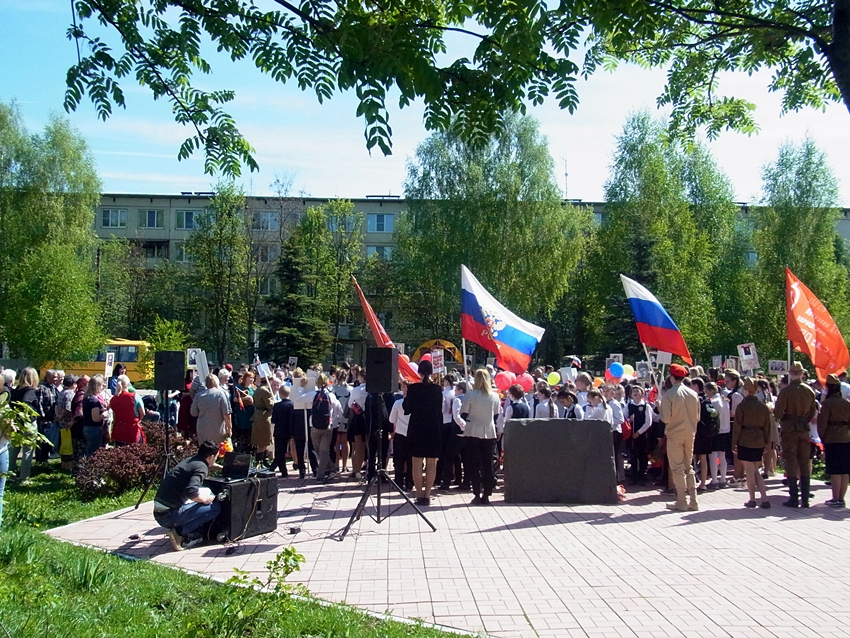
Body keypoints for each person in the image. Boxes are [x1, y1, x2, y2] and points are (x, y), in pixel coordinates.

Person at [153, 440, 222, 551]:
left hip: (159, 512)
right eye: (216, 457)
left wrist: (221, 468)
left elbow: (201, 467)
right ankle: (179, 532)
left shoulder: (191, 461)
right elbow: (191, 492)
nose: (216, 459)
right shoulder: (201, 468)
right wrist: (205, 499)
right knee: (215, 507)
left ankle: (180, 528)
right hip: (168, 516)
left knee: (199, 497)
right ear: (210, 457)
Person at [774, 361, 818, 508]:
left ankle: (794, 497)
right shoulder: (809, 391)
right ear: (802, 374)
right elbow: (812, 411)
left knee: (791, 460)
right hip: (804, 428)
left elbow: (778, 413)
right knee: (804, 461)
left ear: (790, 374)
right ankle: (805, 498)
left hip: (789, 429)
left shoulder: (786, 391)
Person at [659, 364, 701, 511]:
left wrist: (659, 407)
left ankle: (681, 501)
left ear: (671, 377)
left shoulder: (669, 395)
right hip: (690, 434)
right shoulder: (693, 394)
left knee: (677, 468)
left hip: (675, 435)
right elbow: (697, 417)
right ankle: (694, 500)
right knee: (688, 467)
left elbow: (665, 419)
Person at [403, 360, 443, 506]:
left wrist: (406, 395)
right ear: (431, 372)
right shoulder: (437, 389)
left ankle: (419, 494)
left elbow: (407, 409)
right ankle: (427, 494)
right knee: (431, 462)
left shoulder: (413, 389)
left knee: (417, 462)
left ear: (418, 372)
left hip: (417, 427)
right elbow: (439, 410)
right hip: (433, 427)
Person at [461, 369, 500, 505]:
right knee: (488, 464)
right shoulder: (495, 396)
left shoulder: (471, 395)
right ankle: (487, 493)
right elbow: (496, 415)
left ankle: (477, 492)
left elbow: (463, 414)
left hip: (473, 432)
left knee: (474, 464)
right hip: (489, 432)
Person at [732, 378, 771, 508]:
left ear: (746, 390)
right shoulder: (763, 406)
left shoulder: (742, 406)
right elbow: (767, 426)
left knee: (750, 471)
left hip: (745, 439)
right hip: (759, 440)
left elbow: (737, 427)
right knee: (755, 470)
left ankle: (752, 499)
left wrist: (734, 443)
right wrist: (766, 442)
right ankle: (764, 499)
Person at [817, 373, 850, 507]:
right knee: (845, 470)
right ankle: (841, 498)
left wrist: (822, 438)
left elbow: (822, 423)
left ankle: (835, 498)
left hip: (832, 438)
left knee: (835, 470)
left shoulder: (827, 404)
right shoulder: (846, 403)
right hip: (846, 438)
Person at [191, 374, 233, 444]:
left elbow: (193, 413)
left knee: (204, 451)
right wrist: (229, 428)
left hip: (202, 428)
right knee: (219, 451)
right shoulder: (222, 394)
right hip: (218, 429)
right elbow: (226, 413)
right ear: (217, 383)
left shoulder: (199, 395)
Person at [627, 385, 653, 485]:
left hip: (642, 435)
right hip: (632, 435)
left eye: (638, 390)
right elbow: (625, 419)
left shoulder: (646, 406)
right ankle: (634, 475)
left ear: (642, 393)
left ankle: (642, 475)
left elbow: (648, 422)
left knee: (642, 454)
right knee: (633, 455)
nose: (635, 392)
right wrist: (630, 420)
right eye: (633, 390)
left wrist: (639, 432)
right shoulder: (629, 405)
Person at [389, 382, 413, 490]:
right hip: (412, 434)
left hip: (400, 434)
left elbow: (391, 419)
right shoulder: (417, 404)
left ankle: (398, 482)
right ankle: (410, 481)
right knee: (410, 460)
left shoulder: (398, 403)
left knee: (398, 460)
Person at [707, 381, 731, 489]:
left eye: (707, 391)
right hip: (725, 430)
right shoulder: (725, 400)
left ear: (712, 390)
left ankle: (715, 479)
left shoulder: (713, 401)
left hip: (716, 431)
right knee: (722, 456)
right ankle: (723, 479)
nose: (706, 393)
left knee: (713, 456)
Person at [110, 375, 145, 445]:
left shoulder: (113, 399)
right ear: (128, 384)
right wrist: (139, 420)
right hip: (132, 431)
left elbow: (114, 415)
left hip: (118, 431)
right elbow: (142, 413)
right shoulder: (135, 397)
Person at [81, 374, 109, 457]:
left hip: (86, 427)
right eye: (101, 385)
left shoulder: (87, 397)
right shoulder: (94, 400)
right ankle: (87, 468)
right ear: (96, 386)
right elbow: (96, 418)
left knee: (89, 449)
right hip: (94, 429)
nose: (102, 387)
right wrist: (104, 414)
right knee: (92, 452)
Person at [269, 385, 294, 477]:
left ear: (280, 394)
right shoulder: (291, 405)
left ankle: (275, 468)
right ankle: (281, 470)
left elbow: (273, 420)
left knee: (279, 451)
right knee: (281, 452)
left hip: (279, 431)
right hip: (288, 431)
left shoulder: (277, 406)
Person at [251, 375, 275, 467]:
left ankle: (263, 460)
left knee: (264, 441)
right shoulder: (265, 391)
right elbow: (270, 405)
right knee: (263, 441)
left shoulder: (258, 389)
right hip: (264, 417)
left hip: (258, 415)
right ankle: (259, 462)